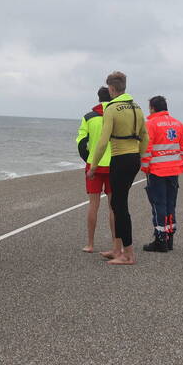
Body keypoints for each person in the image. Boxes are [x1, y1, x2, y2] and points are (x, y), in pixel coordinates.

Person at [87, 71, 148, 266]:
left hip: (120, 159)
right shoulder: (137, 107)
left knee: (120, 207)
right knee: (117, 204)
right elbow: (145, 136)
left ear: (112, 89)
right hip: (133, 158)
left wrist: (93, 166)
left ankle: (128, 255)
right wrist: (140, 157)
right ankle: (116, 249)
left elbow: (103, 141)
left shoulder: (112, 108)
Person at [141, 96, 183, 252]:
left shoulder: (151, 124)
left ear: (153, 108)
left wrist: (145, 167)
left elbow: (147, 149)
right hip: (174, 170)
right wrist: (177, 162)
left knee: (158, 205)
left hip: (157, 171)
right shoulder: (178, 124)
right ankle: (169, 238)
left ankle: (160, 240)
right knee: (170, 204)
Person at [76, 87, 115, 253]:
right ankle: (115, 245)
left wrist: (89, 158)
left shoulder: (88, 117)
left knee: (93, 205)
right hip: (113, 165)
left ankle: (90, 244)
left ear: (98, 98)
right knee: (113, 207)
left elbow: (81, 142)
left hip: (94, 165)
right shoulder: (116, 115)